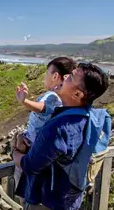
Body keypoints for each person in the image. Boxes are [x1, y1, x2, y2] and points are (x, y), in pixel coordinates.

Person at [12, 63, 109, 210]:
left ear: (78, 94)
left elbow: (32, 165)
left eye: (71, 78)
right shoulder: (87, 118)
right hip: (69, 203)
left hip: (47, 205)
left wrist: (16, 155)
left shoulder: (60, 126)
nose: (65, 78)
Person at [13, 57, 77, 196]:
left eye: (47, 73)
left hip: (31, 149)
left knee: (24, 192)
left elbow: (43, 108)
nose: (44, 77)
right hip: (43, 149)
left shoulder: (52, 95)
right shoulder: (68, 98)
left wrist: (24, 101)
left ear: (55, 76)